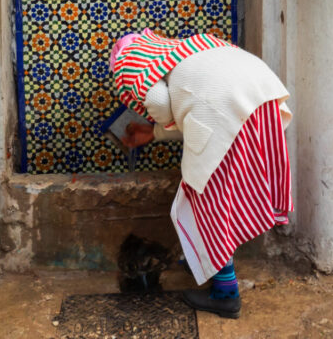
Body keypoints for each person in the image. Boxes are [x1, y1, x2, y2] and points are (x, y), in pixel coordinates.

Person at [109, 28, 292, 319]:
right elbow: (199, 106)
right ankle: (209, 259)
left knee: (206, 197)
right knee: (232, 189)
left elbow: (158, 101)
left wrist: (162, 119)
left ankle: (225, 293)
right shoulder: (186, 49)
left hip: (228, 106)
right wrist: (155, 133)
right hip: (262, 98)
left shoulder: (128, 61)